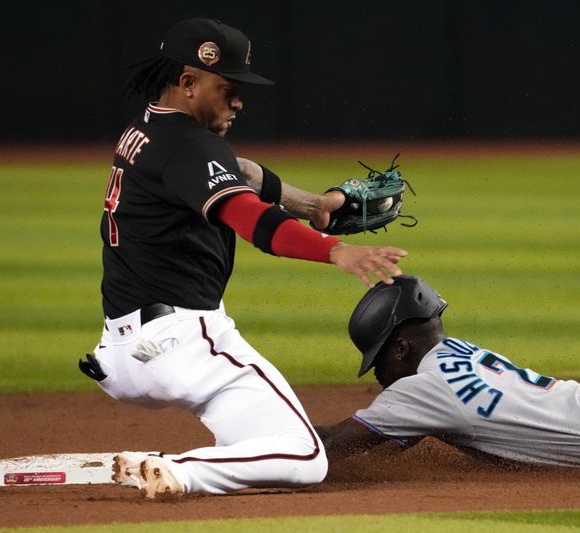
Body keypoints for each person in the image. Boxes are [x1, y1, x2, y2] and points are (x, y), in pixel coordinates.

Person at [78, 18, 408, 498]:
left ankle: (181, 465)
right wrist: (335, 249)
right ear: (189, 83)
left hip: (122, 353)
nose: (238, 101)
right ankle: (175, 470)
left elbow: (240, 173)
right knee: (304, 455)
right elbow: (249, 217)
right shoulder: (190, 145)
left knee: (255, 445)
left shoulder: (148, 128)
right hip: (183, 345)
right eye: (227, 88)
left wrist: (315, 206)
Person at [318, 275, 580, 469]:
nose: (380, 377)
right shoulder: (458, 354)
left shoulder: (422, 390)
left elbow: (335, 442)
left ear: (402, 347)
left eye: (379, 361)